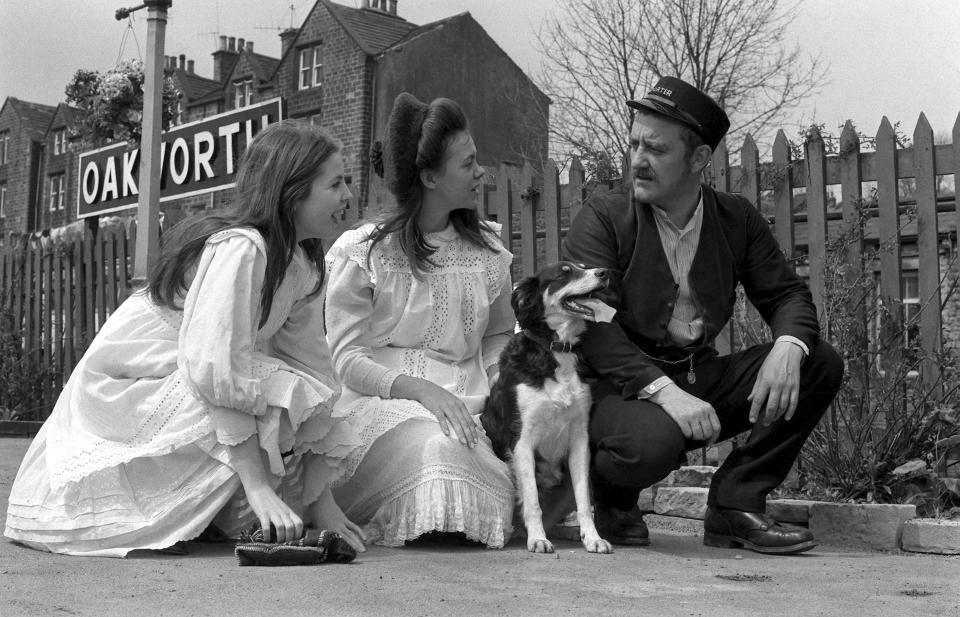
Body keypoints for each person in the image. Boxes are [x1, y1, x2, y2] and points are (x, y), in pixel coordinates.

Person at [4, 120, 367, 556]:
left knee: (286, 387)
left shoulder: (304, 263)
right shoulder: (242, 247)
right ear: (291, 193)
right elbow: (212, 368)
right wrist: (255, 482)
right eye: (336, 183)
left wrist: (318, 502)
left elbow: (310, 370)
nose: (348, 195)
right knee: (262, 394)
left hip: (195, 371)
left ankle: (218, 512)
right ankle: (169, 508)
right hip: (135, 378)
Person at [562, 76, 844, 554]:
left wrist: (788, 346)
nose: (637, 160)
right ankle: (609, 498)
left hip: (697, 374)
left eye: (655, 149)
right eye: (633, 144)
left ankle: (735, 504)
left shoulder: (736, 219)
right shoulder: (604, 215)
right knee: (651, 442)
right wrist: (664, 393)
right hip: (613, 386)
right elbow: (590, 322)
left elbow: (787, 296)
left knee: (819, 361)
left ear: (698, 160)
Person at [324, 92, 515, 548]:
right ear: (430, 176)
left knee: (456, 444)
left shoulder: (487, 252)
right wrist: (424, 392)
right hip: (381, 407)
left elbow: (499, 334)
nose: (481, 171)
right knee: (437, 448)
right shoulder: (365, 252)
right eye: (468, 163)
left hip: (468, 408)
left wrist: (504, 384)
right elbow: (346, 359)